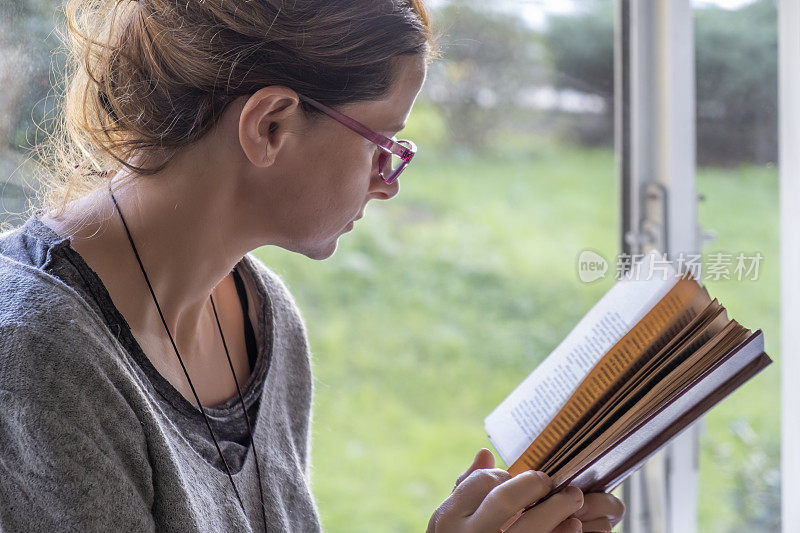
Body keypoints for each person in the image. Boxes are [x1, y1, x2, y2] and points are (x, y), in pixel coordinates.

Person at [0, 0, 624, 531]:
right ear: (270, 125)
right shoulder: (38, 355)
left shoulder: (265, 317)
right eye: (383, 142)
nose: (390, 183)